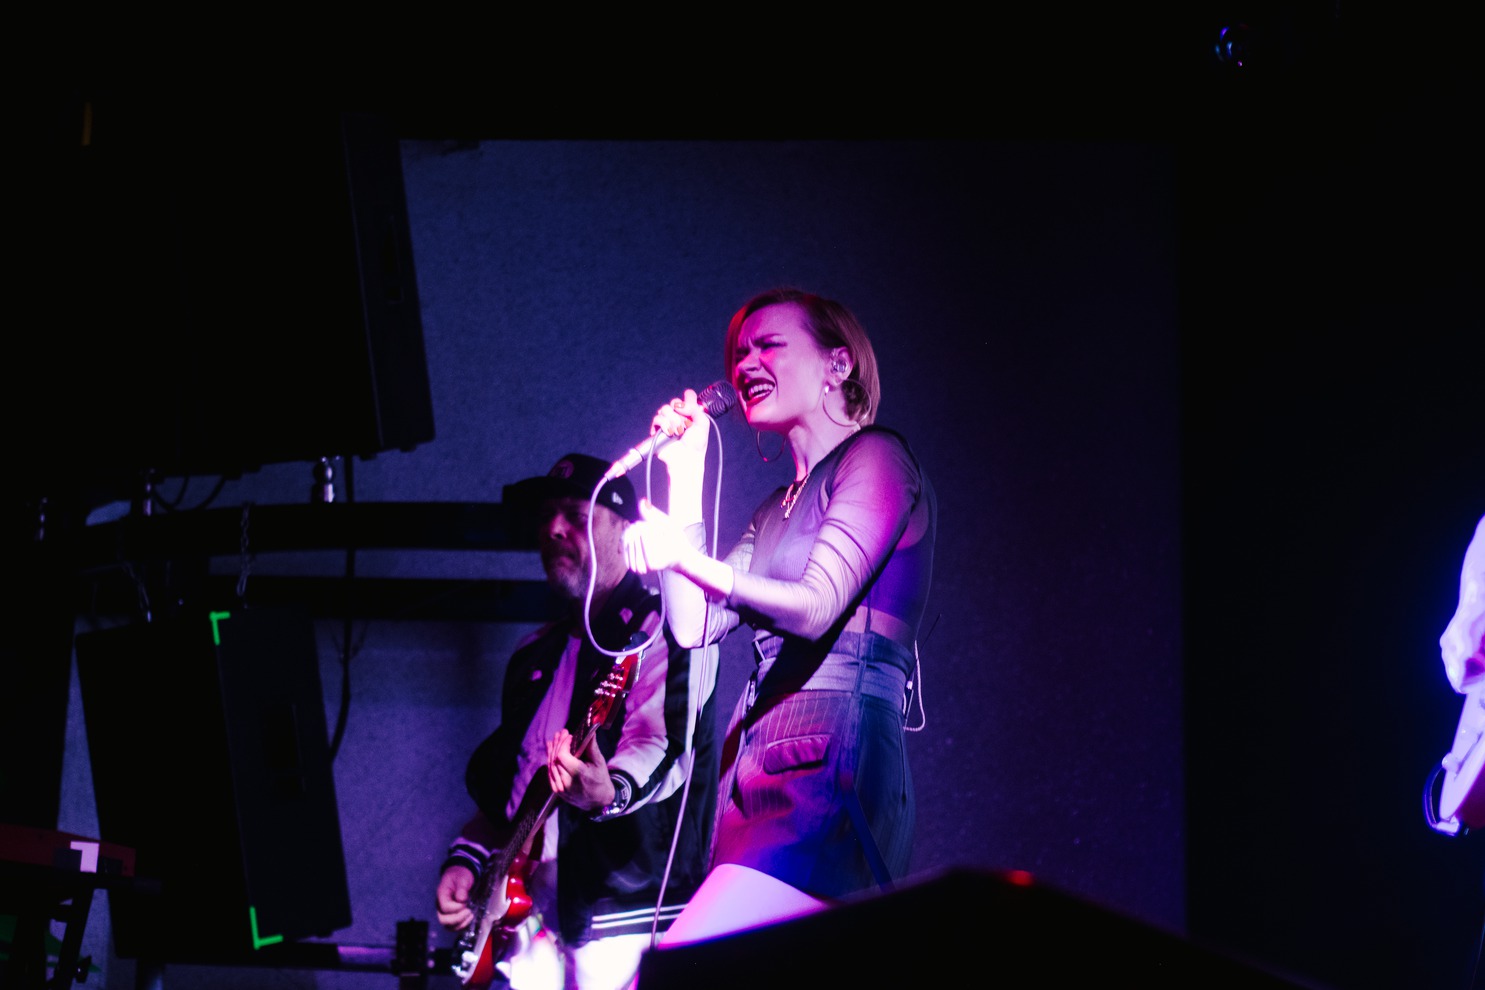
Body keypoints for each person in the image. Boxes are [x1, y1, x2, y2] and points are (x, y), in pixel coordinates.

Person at [621, 288, 936, 939]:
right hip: (757, 767)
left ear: (838, 364)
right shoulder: (773, 507)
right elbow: (694, 626)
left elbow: (816, 608)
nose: (744, 365)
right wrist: (684, 475)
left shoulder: (877, 457)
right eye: (738, 353)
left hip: (830, 762)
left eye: (768, 345)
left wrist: (686, 560)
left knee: (684, 969)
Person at [435, 453, 719, 990]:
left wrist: (608, 791)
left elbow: (660, 748)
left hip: (627, 919)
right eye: (546, 516)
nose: (553, 529)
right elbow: (515, 797)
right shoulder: (533, 655)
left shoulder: (667, 630)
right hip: (532, 928)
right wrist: (468, 861)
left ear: (626, 531)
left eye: (576, 514)